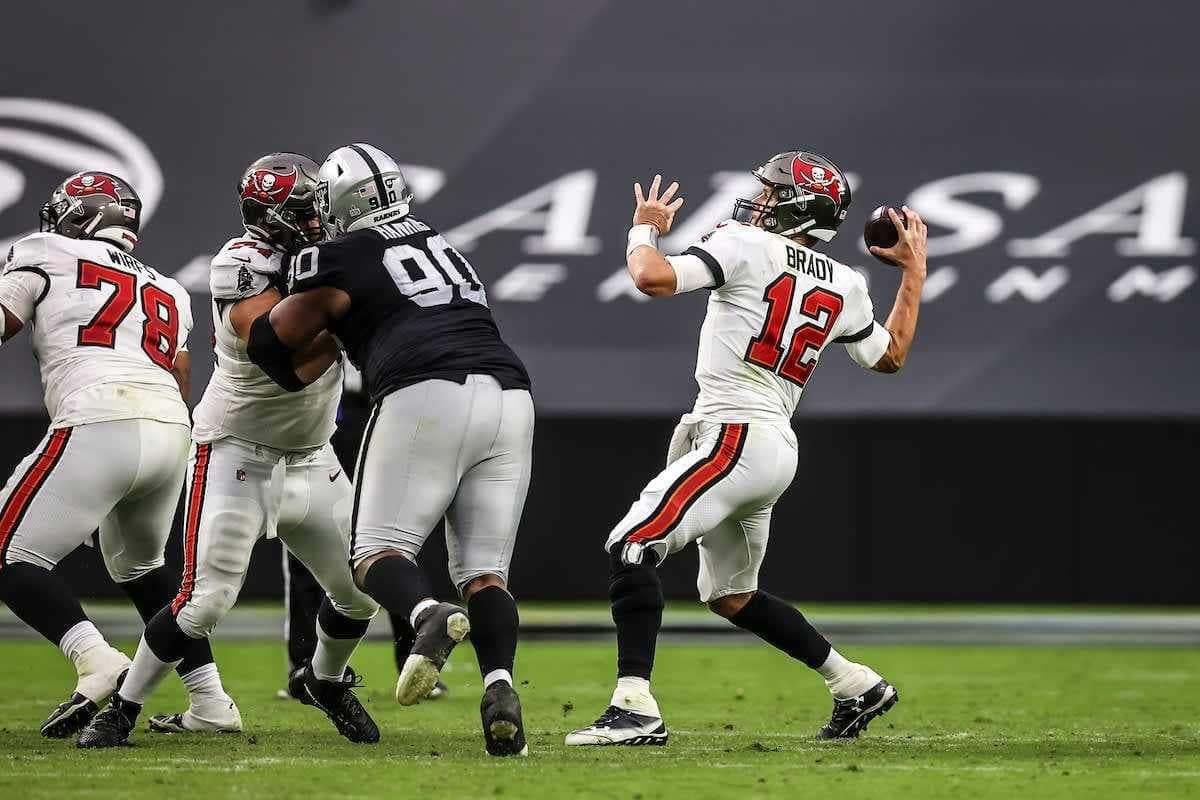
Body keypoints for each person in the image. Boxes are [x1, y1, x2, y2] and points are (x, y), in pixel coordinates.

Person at [566, 151, 927, 746]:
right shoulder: (846, 282)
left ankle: (634, 707)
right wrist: (913, 273)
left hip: (734, 435)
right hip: (773, 445)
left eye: (771, 192)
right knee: (732, 595)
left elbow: (652, 277)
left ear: (798, 207)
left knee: (632, 545)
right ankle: (855, 684)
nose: (758, 199)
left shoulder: (742, 242)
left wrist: (643, 229)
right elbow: (889, 357)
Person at [77, 153, 380, 748]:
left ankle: (325, 680)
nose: (317, 220)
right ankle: (123, 708)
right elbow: (282, 357)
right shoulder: (241, 262)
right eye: (303, 211)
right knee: (203, 603)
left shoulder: (335, 252)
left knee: (360, 592)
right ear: (269, 216)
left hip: (312, 455)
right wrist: (353, 321)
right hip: (239, 453)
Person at [247, 143, 534, 757]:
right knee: (485, 573)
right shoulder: (440, 243)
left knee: (373, 554)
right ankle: (500, 688)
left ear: (342, 203)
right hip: (511, 395)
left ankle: (427, 613)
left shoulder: (338, 254)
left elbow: (273, 345)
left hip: (425, 391)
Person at [0, 172, 236, 739]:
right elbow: (179, 376)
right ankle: (211, 701)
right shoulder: (169, 289)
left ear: (79, 216)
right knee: (141, 568)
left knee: (8, 554)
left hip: (99, 415)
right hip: (170, 427)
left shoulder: (44, 250)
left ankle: (96, 659)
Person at [277, 361, 447, 701]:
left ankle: (415, 659)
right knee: (305, 543)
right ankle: (305, 665)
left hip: (378, 412)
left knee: (394, 542)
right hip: (321, 418)